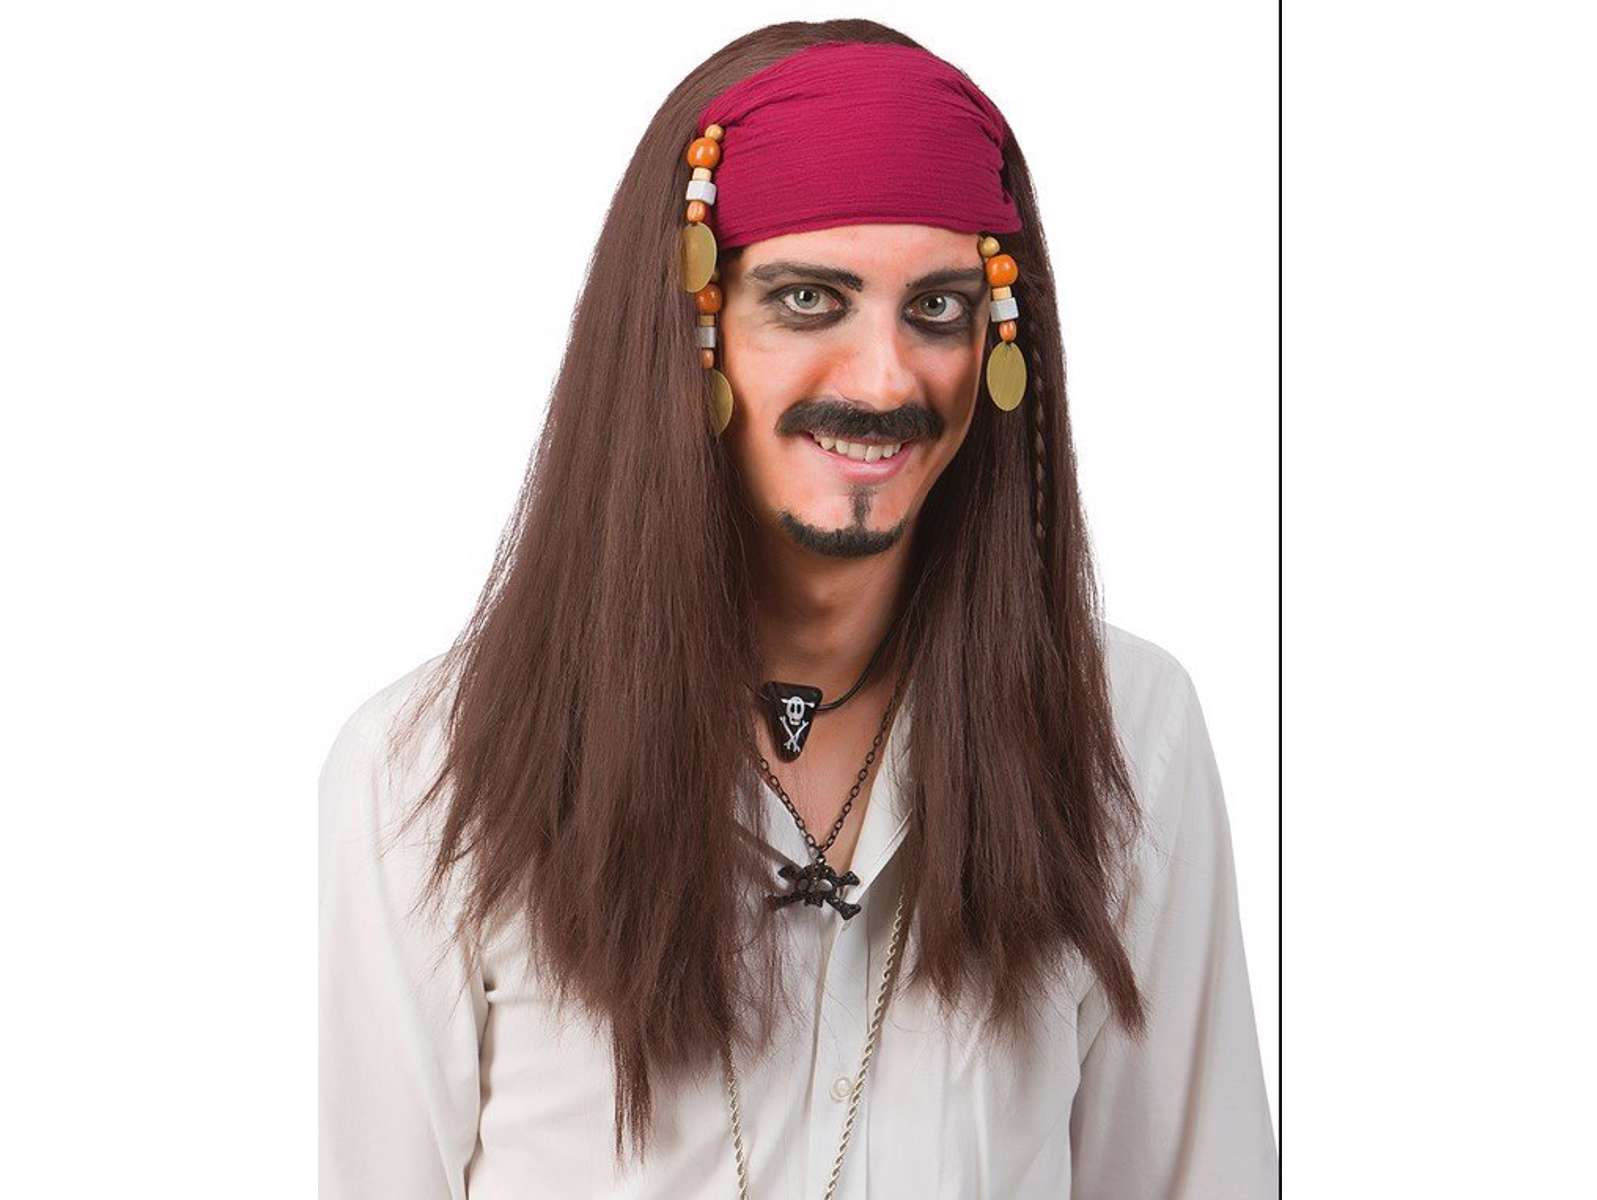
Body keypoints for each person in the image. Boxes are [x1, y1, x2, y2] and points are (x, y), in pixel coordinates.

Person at [319, 20, 1278, 1199]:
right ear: (689, 327)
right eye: (809, 299)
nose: (884, 379)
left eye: (938, 309)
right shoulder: (422, 775)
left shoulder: (1128, 727)